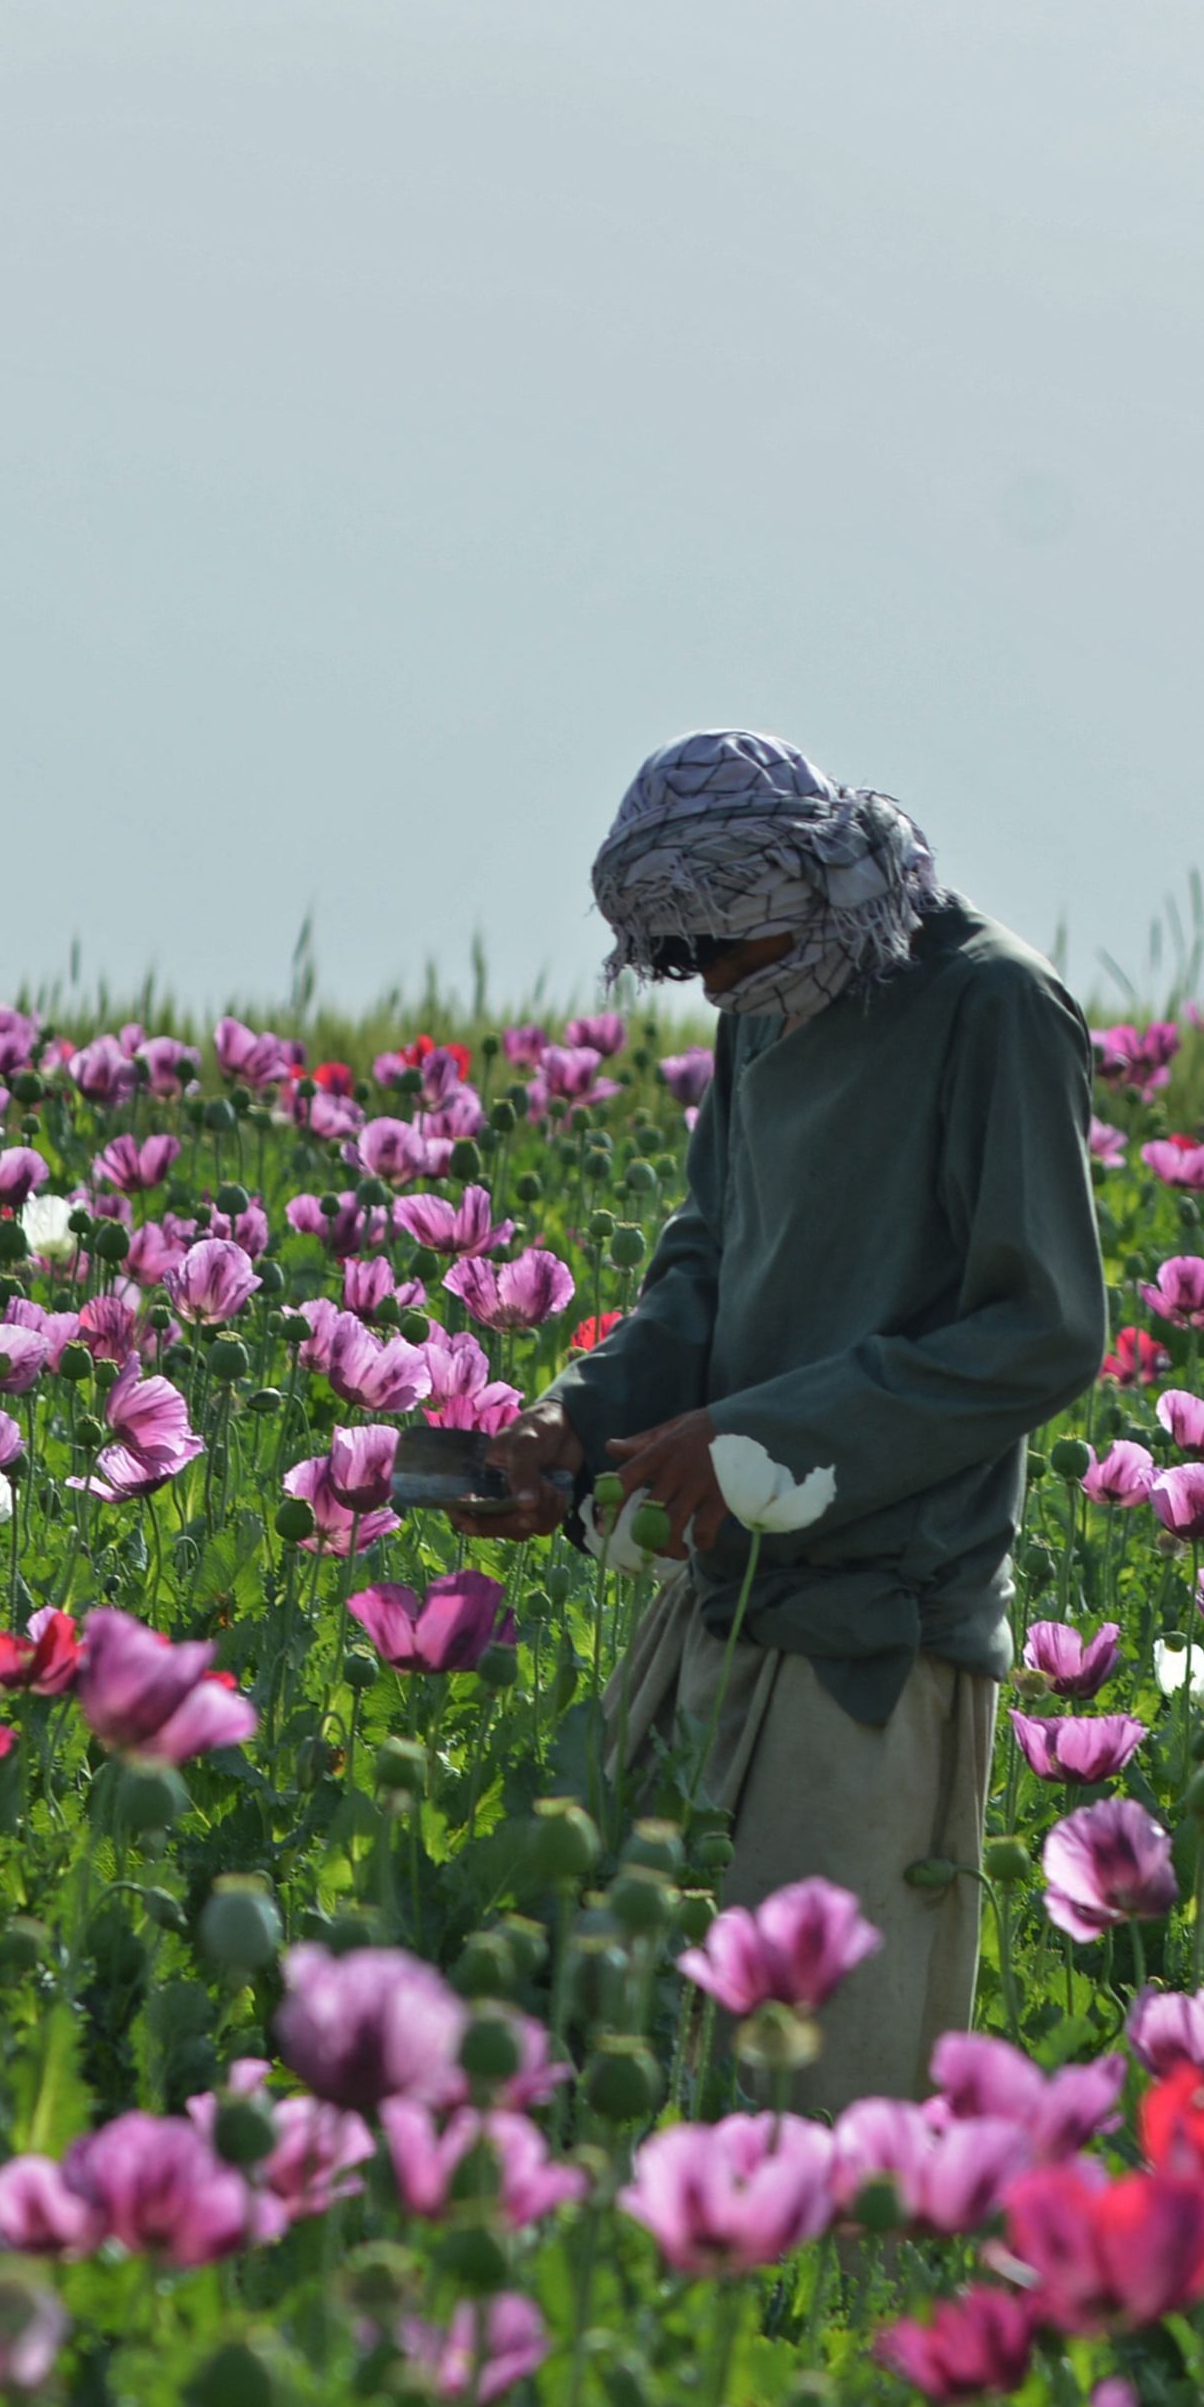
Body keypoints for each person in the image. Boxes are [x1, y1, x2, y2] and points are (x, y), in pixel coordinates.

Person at [457, 730, 1109, 2111]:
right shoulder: (771, 1000)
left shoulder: (992, 1004)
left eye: (721, 948)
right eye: (678, 963)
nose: (713, 985)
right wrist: (576, 1424)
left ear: (801, 890)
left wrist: (769, 1435)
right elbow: (707, 1265)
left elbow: (1042, 1329)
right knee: (626, 2051)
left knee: (819, 2096)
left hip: (877, 1633)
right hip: (711, 1601)